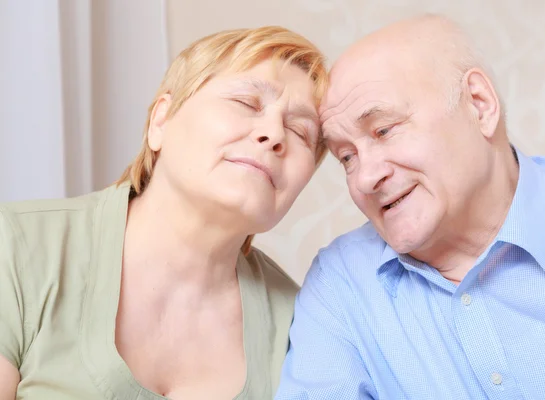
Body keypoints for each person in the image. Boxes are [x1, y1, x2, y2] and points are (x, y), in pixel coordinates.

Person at [276, 13, 545, 400]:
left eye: (383, 130)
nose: (364, 178)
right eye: (346, 157)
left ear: (479, 105)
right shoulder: (341, 283)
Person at [0, 25, 328, 400]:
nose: (274, 134)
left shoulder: (304, 322)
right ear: (161, 121)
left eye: (300, 132)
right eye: (247, 103)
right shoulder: (16, 246)